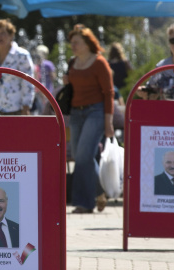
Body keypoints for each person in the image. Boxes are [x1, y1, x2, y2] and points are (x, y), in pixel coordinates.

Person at [65, 24, 114, 214]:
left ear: (87, 43)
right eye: (72, 43)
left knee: (84, 156)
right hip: (76, 113)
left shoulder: (99, 62)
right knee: (80, 156)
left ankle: (83, 203)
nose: (73, 46)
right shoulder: (72, 62)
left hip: (96, 112)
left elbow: (109, 93)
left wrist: (108, 122)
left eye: (76, 42)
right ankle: (100, 191)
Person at [0, 19, 35, 115]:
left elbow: (28, 82)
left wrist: (26, 107)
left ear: (11, 35)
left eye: (3, 33)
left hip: (17, 109)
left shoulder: (22, 55)